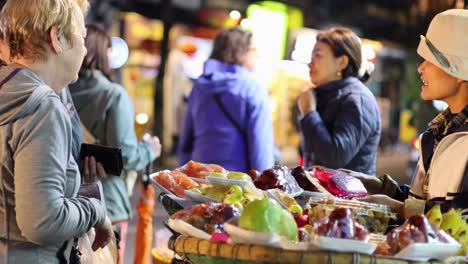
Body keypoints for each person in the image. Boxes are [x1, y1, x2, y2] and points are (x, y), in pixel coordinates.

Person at [0, 0, 114, 263]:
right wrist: (95, 211)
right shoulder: (42, 108)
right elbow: (43, 221)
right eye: (82, 37)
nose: (85, 50)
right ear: (57, 38)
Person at [356, 9, 468, 220]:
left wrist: (398, 209)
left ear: (460, 72)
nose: (420, 68)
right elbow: (426, 202)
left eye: (431, 60)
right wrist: (381, 187)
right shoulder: (436, 133)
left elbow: (461, 216)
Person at [69, 24, 161, 263]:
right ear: (102, 52)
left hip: (69, 200)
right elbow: (127, 155)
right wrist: (150, 149)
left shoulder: (60, 90)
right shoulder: (113, 95)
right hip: (107, 202)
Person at [178, 27, 275, 172]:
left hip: (199, 179)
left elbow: (186, 141)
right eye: (253, 50)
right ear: (241, 53)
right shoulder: (252, 88)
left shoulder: (199, 86)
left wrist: (185, 177)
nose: (256, 55)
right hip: (236, 185)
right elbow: (261, 149)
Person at [297, 27, 381, 175]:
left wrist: (310, 113)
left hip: (348, 197)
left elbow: (334, 157)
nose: (310, 64)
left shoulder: (357, 99)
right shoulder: (325, 96)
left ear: (341, 62)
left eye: (318, 56)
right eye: (311, 57)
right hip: (324, 195)